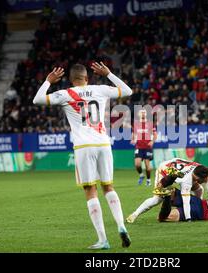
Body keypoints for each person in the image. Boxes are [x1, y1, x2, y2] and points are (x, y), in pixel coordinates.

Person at [32, 63, 132, 250]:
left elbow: (37, 100)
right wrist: (109, 73)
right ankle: (121, 225)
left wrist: (48, 81)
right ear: (87, 78)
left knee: (90, 190)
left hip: (84, 146)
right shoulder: (100, 89)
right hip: (103, 143)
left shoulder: (66, 94)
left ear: (71, 80)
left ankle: (103, 239)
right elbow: (128, 90)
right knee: (108, 186)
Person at [126, 158, 208, 223]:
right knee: (157, 199)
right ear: (196, 177)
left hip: (176, 168)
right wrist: (188, 219)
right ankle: (134, 214)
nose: (204, 180)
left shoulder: (199, 168)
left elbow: (207, 178)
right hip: (164, 171)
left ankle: (197, 206)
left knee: (199, 189)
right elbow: (186, 201)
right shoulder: (187, 181)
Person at [131, 109, 157, 186]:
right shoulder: (136, 124)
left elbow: (155, 134)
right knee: (137, 164)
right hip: (139, 146)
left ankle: (148, 180)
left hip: (147, 147)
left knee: (147, 165)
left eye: (144, 113)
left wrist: (152, 141)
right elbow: (133, 133)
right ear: (139, 114)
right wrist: (132, 139)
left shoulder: (150, 124)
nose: (143, 114)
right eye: (141, 112)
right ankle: (141, 175)